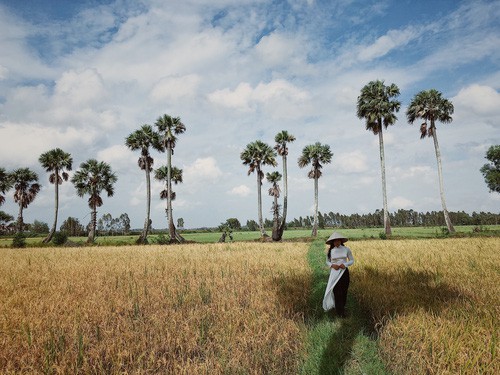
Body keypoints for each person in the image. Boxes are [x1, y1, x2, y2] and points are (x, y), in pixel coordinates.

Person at [322, 232, 354, 317]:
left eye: (338, 241)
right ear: (332, 242)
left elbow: (351, 260)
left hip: (344, 272)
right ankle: (339, 312)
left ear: (341, 241)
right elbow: (327, 261)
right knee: (337, 291)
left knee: (344, 290)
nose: (336, 242)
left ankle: (342, 307)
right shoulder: (330, 251)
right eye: (335, 241)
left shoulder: (346, 249)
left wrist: (345, 264)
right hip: (334, 273)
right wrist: (332, 265)